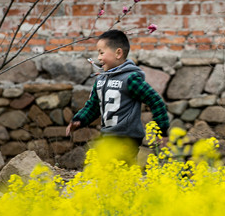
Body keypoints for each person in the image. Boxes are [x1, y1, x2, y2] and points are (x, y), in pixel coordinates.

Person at [67, 29, 169, 164]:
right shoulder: (101, 80)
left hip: (127, 139)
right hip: (108, 137)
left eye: (101, 53)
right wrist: (79, 120)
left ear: (118, 53)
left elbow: (155, 101)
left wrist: (161, 130)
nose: (98, 58)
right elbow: (93, 106)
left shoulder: (130, 79)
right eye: (98, 53)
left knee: (118, 172)